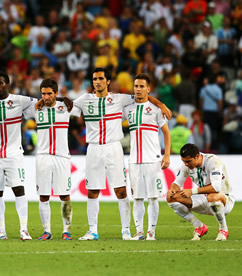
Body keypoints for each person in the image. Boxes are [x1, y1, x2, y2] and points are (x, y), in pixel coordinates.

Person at [71, 67, 170, 240]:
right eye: (94, 79)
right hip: (93, 148)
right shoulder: (84, 100)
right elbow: (66, 106)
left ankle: (126, 230)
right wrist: (45, 101)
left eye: (101, 78)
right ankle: (92, 230)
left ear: (108, 81)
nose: (97, 82)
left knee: (121, 191)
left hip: (113, 148)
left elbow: (143, 97)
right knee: (92, 191)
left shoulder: (120, 99)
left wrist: (160, 104)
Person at [0, 71, 35, 240]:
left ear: (7, 84)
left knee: (19, 189)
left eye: (0, 83)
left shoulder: (19, 100)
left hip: (14, 154)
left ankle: (24, 229)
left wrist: (60, 101)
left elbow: (42, 102)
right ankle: (1, 231)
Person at [123, 74, 171, 241]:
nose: (138, 89)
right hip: (134, 160)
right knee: (137, 197)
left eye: (142, 86)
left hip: (152, 159)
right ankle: (139, 232)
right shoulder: (128, 109)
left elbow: (166, 133)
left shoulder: (157, 110)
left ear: (149, 89)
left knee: (153, 197)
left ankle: (151, 232)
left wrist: (167, 155)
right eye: (136, 86)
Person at [34, 79, 79, 241]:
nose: (46, 97)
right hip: (43, 157)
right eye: (43, 94)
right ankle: (47, 231)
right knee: (43, 196)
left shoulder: (66, 108)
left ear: (56, 94)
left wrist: (63, 100)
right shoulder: (36, 108)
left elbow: (80, 108)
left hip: (62, 157)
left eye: (49, 94)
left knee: (64, 195)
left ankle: (66, 231)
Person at [167, 143, 235, 241]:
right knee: (171, 198)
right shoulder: (186, 165)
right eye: (183, 161)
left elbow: (216, 187)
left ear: (197, 156)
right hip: (204, 199)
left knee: (212, 197)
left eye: (188, 161)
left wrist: (192, 191)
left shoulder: (213, 162)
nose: (186, 164)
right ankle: (199, 227)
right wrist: (172, 190)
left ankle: (223, 229)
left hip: (224, 201)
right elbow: (176, 183)